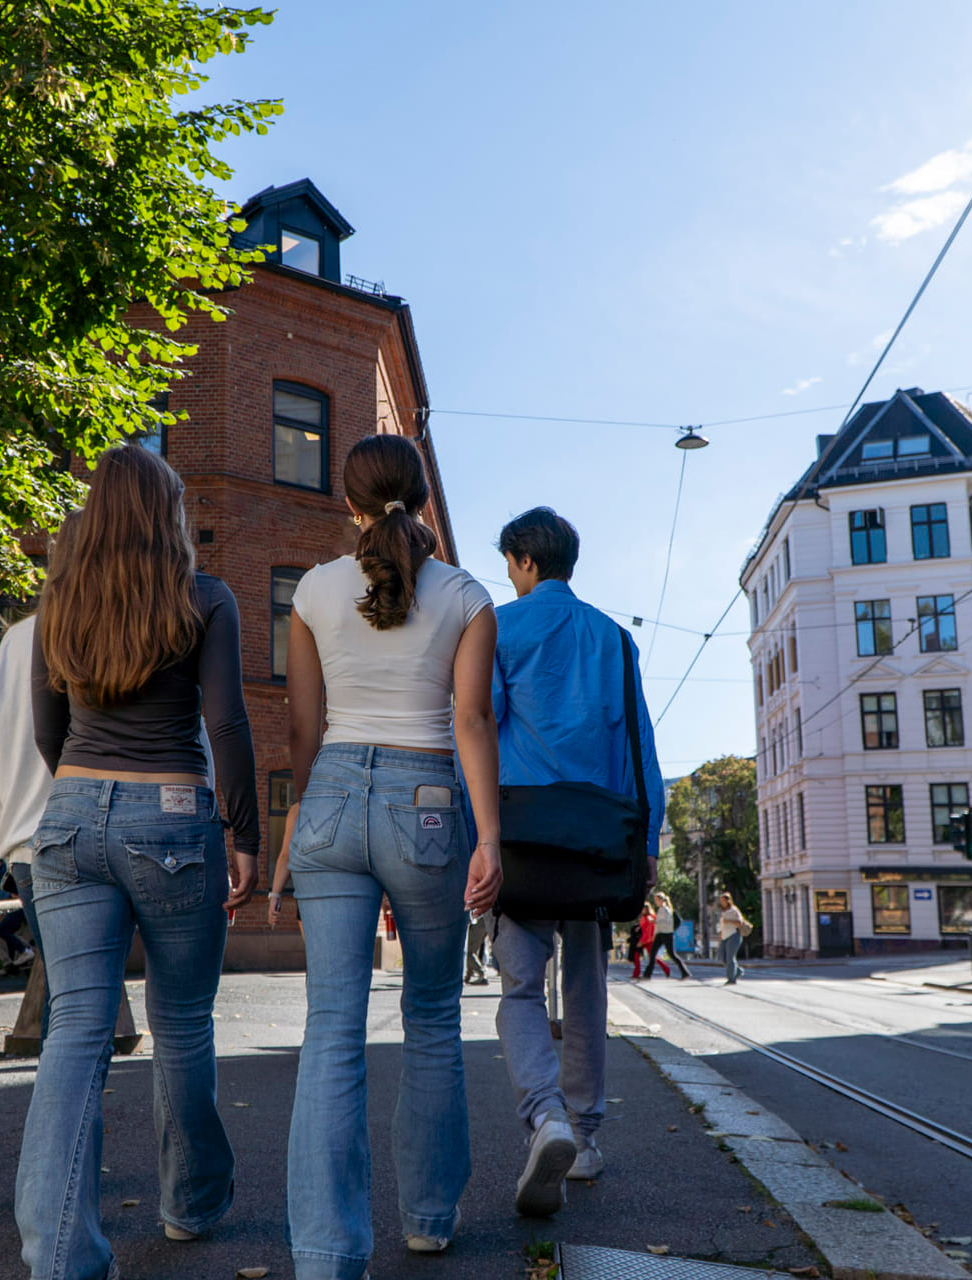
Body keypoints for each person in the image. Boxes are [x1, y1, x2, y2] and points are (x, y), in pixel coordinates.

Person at [15, 445, 260, 1279]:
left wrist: (85, 796)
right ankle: (189, 1206)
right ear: (170, 514)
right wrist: (247, 835)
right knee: (183, 1022)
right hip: (174, 818)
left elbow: (48, 728)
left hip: (71, 814)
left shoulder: (60, 601)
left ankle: (57, 1253)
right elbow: (226, 726)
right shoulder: (207, 598)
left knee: (75, 1031)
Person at [281, 433, 502, 1277]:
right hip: (430, 805)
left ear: (348, 502)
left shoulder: (312, 590)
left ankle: (326, 1254)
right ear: (421, 497)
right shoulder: (468, 595)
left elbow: (303, 726)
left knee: (331, 1028)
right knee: (434, 1018)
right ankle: (429, 1218)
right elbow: (471, 722)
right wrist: (489, 838)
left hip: (335, 790)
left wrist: (302, 815)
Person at [488, 506, 664, 1218]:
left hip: (522, 836)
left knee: (520, 988)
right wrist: (647, 847)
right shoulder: (615, 639)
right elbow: (640, 745)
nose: (507, 574)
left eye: (508, 561)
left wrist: (478, 840)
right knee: (586, 989)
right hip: (596, 840)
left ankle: (545, 1116)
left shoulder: (498, 628)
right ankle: (585, 1137)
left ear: (525, 561)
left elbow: (478, 726)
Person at [0, 515, 141, 1058]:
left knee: (71, 1002)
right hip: (117, 832)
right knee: (83, 1002)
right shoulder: (133, 631)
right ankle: (68, 1129)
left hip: (29, 843)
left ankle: (60, 1129)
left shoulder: (20, 639)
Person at [644, 891, 684, 980]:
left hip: (667, 934)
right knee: (653, 953)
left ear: (661, 900)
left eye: (657, 900)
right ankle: (647, 974)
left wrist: (655, 922)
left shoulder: (666, 910)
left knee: (671, 954)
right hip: (660, 934)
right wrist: (655, 934)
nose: (655, 902)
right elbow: (658, 925)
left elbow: (667, 923)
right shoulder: (660, 910)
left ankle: (684, 972)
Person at [716, 892, 748, 985]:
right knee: (722, 957)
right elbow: (721, 927)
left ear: (728, 900)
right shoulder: (723, 912)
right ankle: (737, 971)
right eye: (721, 900)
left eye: (723, 900)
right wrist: (719, 939)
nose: (722, 902)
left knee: (730, 958)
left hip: (733, 936)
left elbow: (740, 923)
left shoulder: (734, 910)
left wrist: (728, 921)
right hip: (724, 936)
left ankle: (731, 979)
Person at [465, 909, 494, 985]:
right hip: (483, 920)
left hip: (478, 921)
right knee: (472, 950)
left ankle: (482, 974)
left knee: (469, 952)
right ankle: (469, 974)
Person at [631, 904, 656, 981]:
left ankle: (643, 974)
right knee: (637, 956)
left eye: (643, 909)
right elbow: (644, 927)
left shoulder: (649, 917)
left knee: (652, 957)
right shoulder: (644, 917)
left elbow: (648, 931)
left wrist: (642, 941)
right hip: (645, 940)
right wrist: (639, 927)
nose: (642, 911)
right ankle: (637, 973)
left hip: (647, 940)